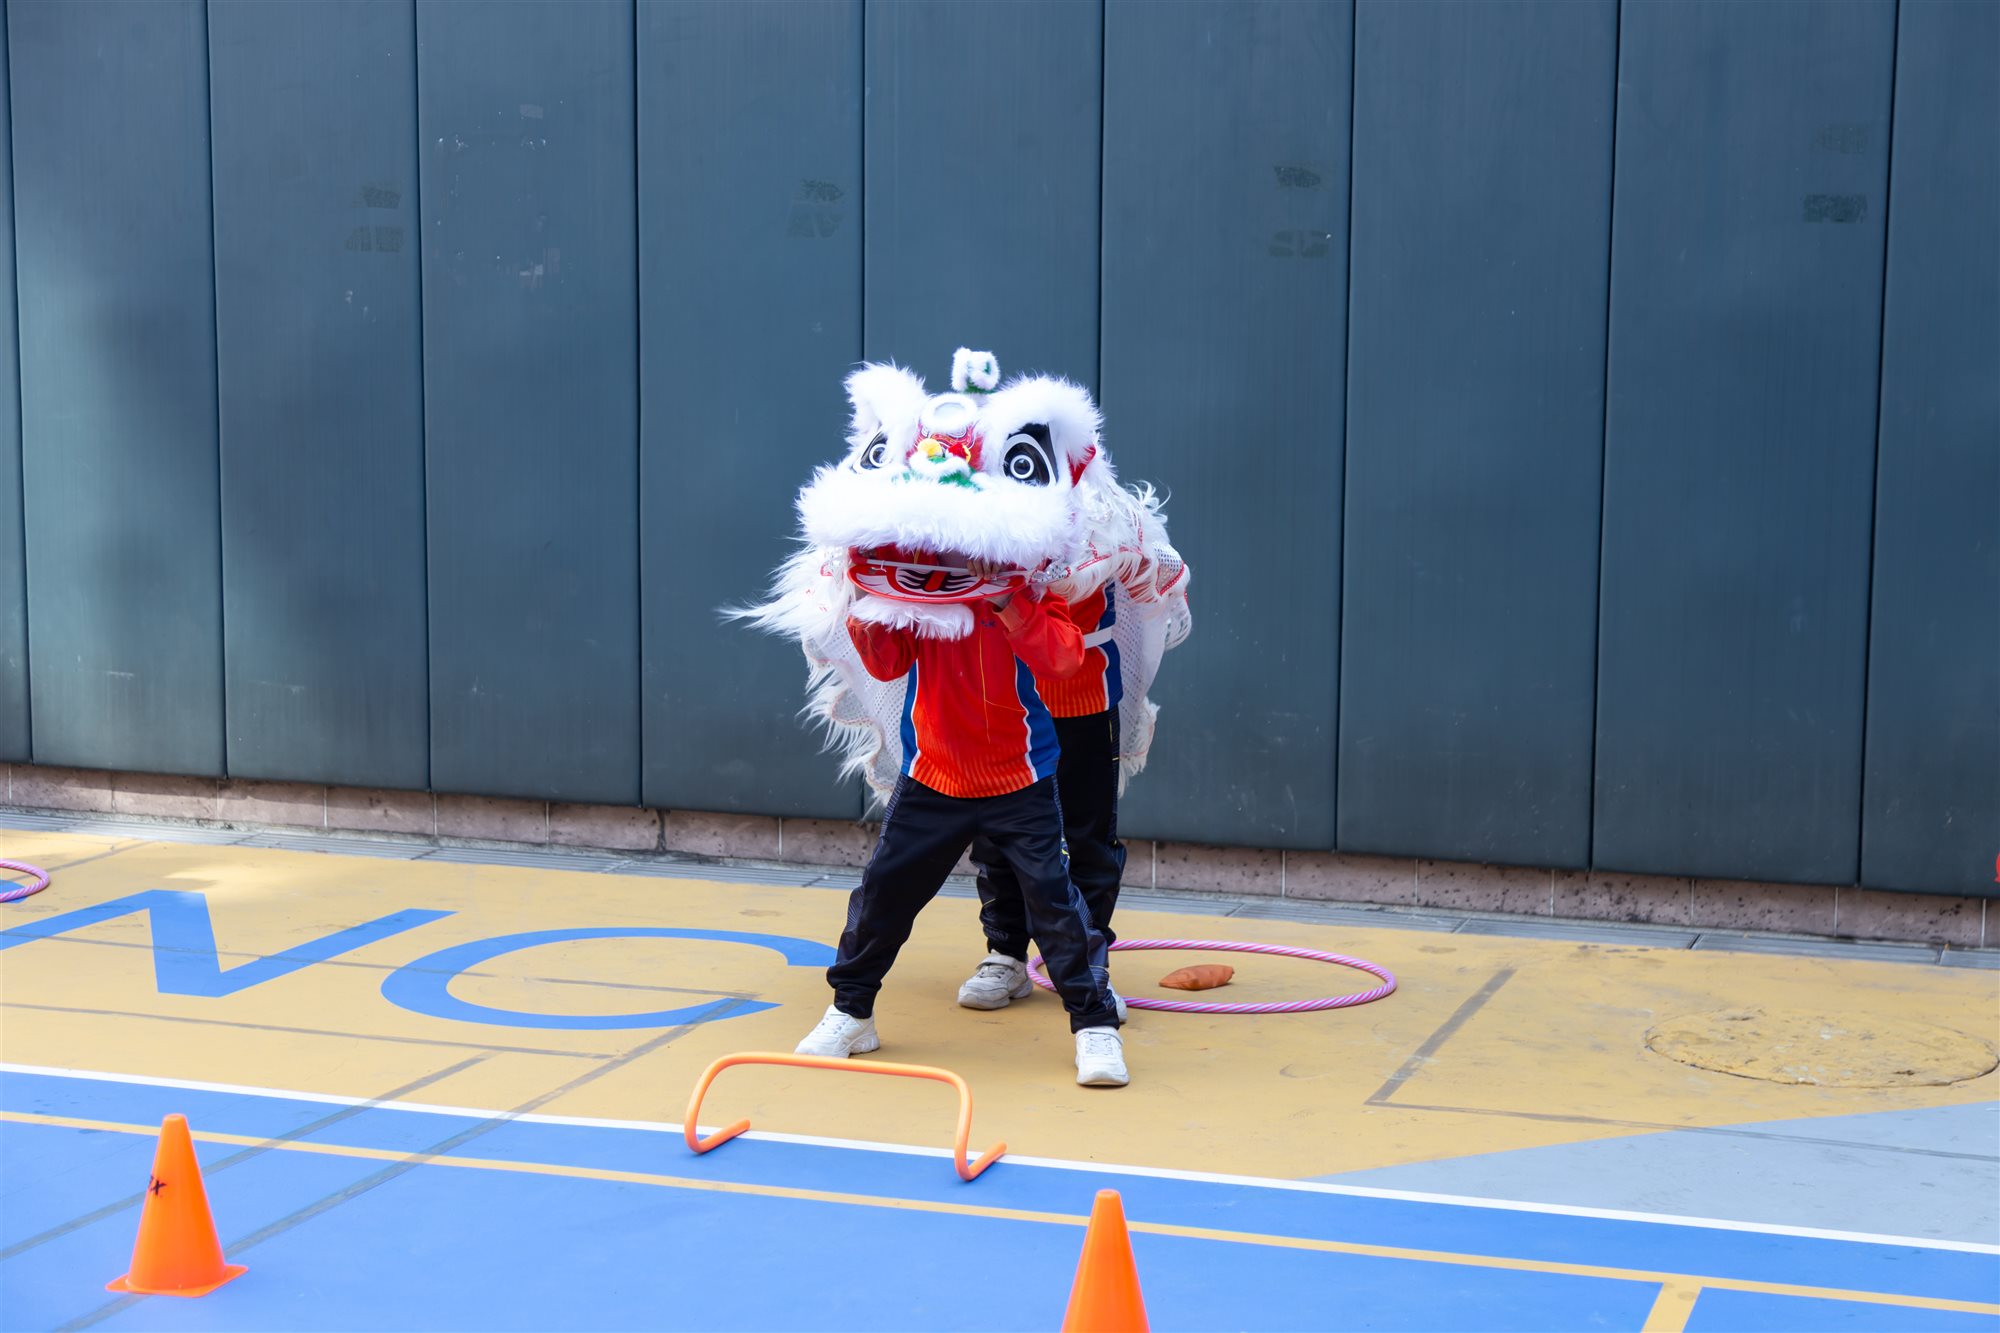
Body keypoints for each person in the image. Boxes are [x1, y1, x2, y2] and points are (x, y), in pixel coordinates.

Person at [793, 572, 1131, 1088]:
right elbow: (886, 664)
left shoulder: (1030, 577)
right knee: (883, 893)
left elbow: (1063, 660)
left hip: (1020, 774)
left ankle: (1094, 1024)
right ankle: (851, 1011)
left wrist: (1007, 599)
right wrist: (871, 597)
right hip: (933, 772)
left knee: (1054, 901)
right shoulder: (914, 574)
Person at [958, 576, 1128, 1014]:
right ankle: (1006, 953)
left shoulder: (1111, 528)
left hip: (1083, 688)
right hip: (997, 691)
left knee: (1086, 833)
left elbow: (1152, 577)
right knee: (996, 831)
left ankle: (1089, 962)